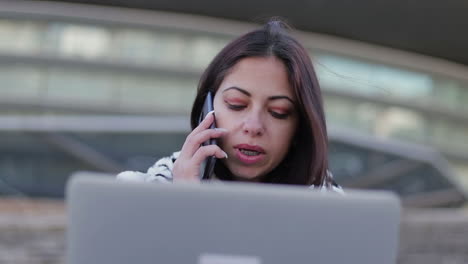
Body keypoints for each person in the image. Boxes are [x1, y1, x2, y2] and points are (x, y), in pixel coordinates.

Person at [117, 19, 342, 193]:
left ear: (300, 127)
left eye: (278, 112)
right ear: (207, 109)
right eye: (236, 105)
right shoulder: (140, 192)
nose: (253, 126)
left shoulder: (334, 212)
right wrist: (181, 202)